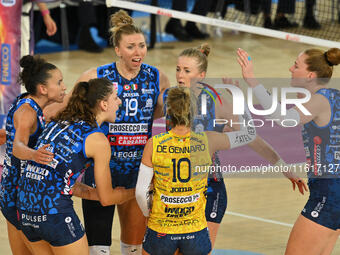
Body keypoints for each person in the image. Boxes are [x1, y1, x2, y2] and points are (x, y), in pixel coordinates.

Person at [162, 44, 307, 251]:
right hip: (176, 190)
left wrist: (284, 168)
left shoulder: (217, 102)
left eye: (187, 71)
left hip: (209, 190)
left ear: (201, 75)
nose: (180, 75)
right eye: (178, 69)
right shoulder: (169, 98)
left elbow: (252, 138)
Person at [51, 10, 170, 255]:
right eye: (130, 47)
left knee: (134, 247)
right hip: (100, 170)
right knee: (98, 248)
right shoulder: (96, 76)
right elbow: (66, 109)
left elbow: (159, 114)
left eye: (142, 46)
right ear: (117, 49)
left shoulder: (158, 77)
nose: (138, 52)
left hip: (138, 173)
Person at [237, 47, 340, 255]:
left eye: (296, 65)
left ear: (310, 75)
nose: (290, 68)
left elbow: (283, 119)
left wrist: (252, 81)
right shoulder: (333, 96)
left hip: (329, 193)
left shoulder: (319, 101)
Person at [16, 78, 135, 255]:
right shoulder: (97, 139)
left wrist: (104, 194)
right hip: (54, 213)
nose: (119, 102)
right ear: (103, 104)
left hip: (25, 210)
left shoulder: (58, 123)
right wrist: (136, 192)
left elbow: (63, 182)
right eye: (115, 97)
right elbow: (107, 199)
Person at [135, 86, 257, 255]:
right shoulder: (209, 140)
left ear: (169, 112)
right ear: (195, 111)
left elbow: (140, 193)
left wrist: (149, 213)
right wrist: (239, 101)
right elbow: (249, 134)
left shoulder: (154, 144)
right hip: (195, 230)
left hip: (162, 228)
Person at [0, 55, 66, 255]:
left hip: (16, 190)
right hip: (17, 192)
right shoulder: (27, 111)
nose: (64, 87)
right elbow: (18, 148)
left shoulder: (29, 103)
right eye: (59, 82)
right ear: (43, 89)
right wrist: (35, 154)